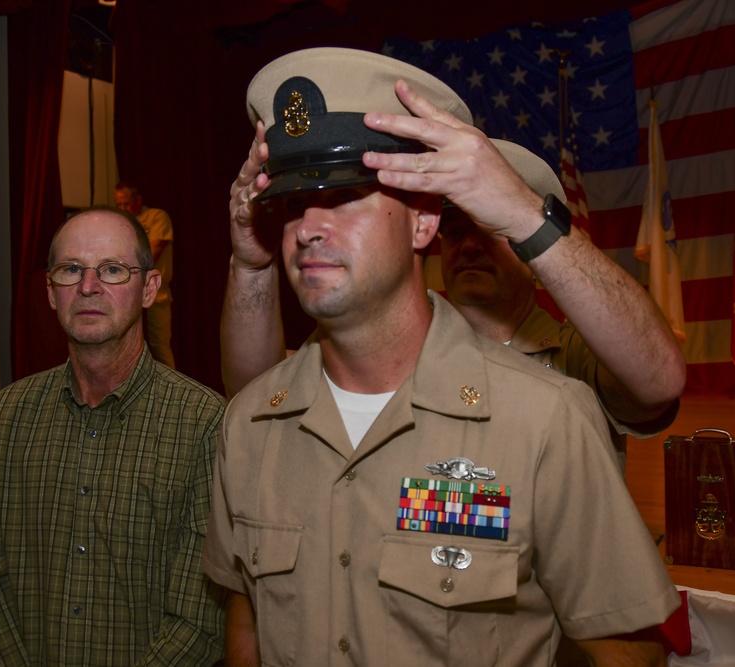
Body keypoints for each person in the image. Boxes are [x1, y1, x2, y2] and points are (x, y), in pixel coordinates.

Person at [203, 46, 679, 666]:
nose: (310, 226)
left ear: (419, 224)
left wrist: (526, 218)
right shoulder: (251, 426)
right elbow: (247, 619)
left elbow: (625, 645)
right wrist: (249, 260)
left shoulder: (547, 415)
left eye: (345, 196)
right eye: (292, 204)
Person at [219, 92, 685, 475]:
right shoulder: (386, 343)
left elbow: (658, 380)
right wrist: (251, 265)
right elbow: (256, 398)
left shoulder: (574, 360)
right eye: (456, 231)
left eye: (493, 232)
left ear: (532, 254)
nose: (469, 246)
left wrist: (529, 219)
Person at [0, 208, 226, 665]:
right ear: (50, 292)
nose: (87, 286)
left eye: (113, 270)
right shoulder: (6, 418)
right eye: (70, 270)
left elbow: (200, 615)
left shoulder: (203, 424)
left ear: (150, 289)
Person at [115, 181, 176, 368]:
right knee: (128, 350)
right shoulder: (120, 224)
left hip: (156, 294)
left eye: (126, 203)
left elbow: (151, 254)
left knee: (159, 348)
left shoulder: (156, 216)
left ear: (138, 199)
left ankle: (171, 393)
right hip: (126, 295)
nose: (123, 208)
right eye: (119, 205)